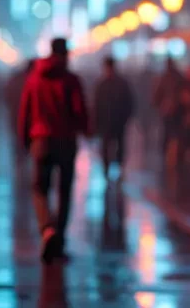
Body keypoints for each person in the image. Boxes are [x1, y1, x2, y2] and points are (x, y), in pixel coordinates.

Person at [18, 38, 90, 262]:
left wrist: (25, 140)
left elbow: (25, 111)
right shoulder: (71, 80)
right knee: (64, 191)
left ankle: (47, 229)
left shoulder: (34, 78)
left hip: (40, 140)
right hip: (66, 141)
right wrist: (85, 130)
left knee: (40, 188)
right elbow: (79, 111)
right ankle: (59, 238)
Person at [93, 56, 135, 177]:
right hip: (107, 122)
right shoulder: (103, 84)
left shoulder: (118, 84)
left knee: (118, 146)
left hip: (118, 121)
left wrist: (125, 118)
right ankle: (107, 168)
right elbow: (96, 105)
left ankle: (117, 167)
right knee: (107, 147)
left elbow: (129, 102)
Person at [152, 58, 184, 167]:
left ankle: (171, 155)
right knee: (173, 133)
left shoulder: (165, 77)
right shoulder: (177, 77)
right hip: (173, 111)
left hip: (171, 111)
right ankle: (172, 155)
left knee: (170, 133)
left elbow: (157, 95)